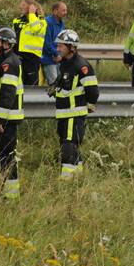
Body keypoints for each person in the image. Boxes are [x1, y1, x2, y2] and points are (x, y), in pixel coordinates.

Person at [48, 30, 99, 180]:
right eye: (57, 45)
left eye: (61, 46)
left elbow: (93, 90)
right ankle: (78, 175)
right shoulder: (65, 63)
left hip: (74, 113)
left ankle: (66, 179)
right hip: (64, 113)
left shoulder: (81, 65)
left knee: (68, 145)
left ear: (71, 47)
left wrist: (89, 106)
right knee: (70, 143)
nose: (58, 49)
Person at [0, 27, 23, 199]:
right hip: (0, 118)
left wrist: (0, 120)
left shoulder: (10, 64)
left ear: (7, 44)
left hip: (5, 120)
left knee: (6, 156)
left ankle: (10, 196)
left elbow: (7, 93)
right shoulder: (4, 61)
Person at [11, 0, 47, 86]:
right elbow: (12, 36)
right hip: (18, 55)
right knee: (17, 81)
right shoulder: (17, 20)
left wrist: (31, 14)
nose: (20, 7)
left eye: (23, 4)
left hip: (32, 57)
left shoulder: (42, 21)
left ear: (32, 6)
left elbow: (35, 28)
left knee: (31, 83)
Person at [41, 1, 68, 85]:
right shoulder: (47, 23)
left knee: (60, 83)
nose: (65, 13)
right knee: (53, 85)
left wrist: (61, 56)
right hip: (49, 59)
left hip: (58, 58)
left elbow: (62, 41)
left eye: (66, 10)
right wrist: (57, 54)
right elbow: (46, 43)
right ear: (55, 11)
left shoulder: (61, 23)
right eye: (63, 10)